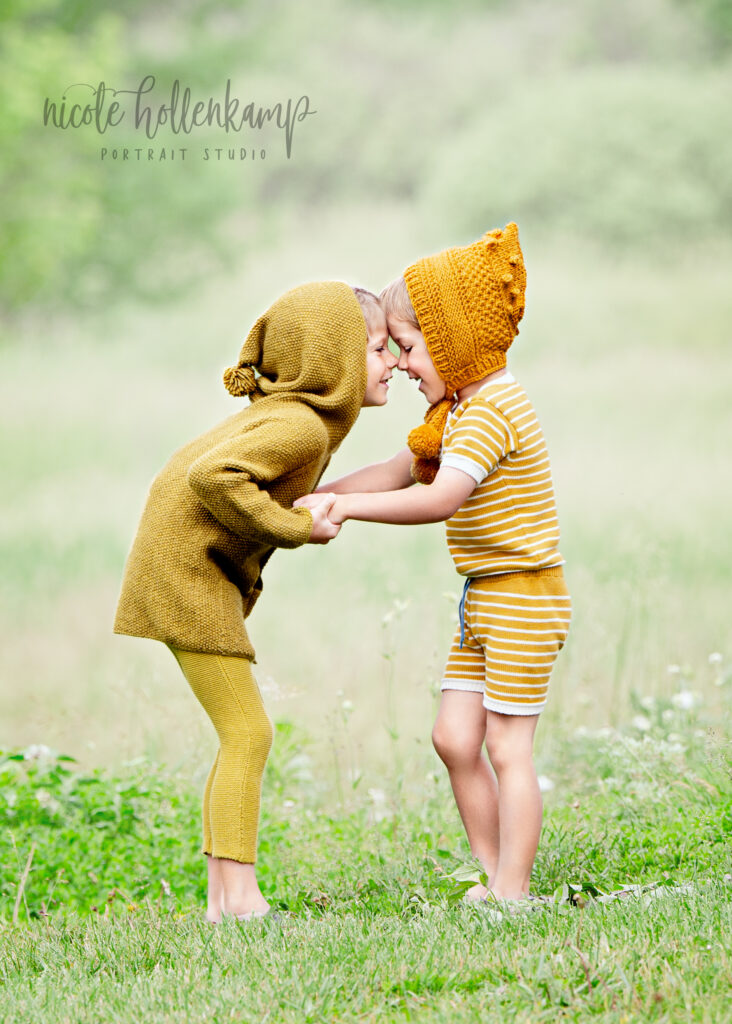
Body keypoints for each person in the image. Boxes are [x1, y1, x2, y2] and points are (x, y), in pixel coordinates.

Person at [296, 226, 571, 902]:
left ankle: (514, 891)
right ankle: (495, 874)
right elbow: (396, 471)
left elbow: (442, 497)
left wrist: (350, 514)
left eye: (411, 348)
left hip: (522, 596)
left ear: (453, 341)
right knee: (454, 739)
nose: (403, 364)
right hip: (484, 597)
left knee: (507, 748)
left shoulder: (491, 411)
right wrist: (314, 497)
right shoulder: (457, 411)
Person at [114, 281, 397, 922]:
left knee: (239, 733)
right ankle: (239, 901)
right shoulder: (298, 425)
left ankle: (224, 900)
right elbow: (211, 477)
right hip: (186, 577)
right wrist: (299, 529)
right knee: (248, 732)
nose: (395, 364)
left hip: (187, 570)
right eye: (380, 349)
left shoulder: (298, 421)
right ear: (337, 361)